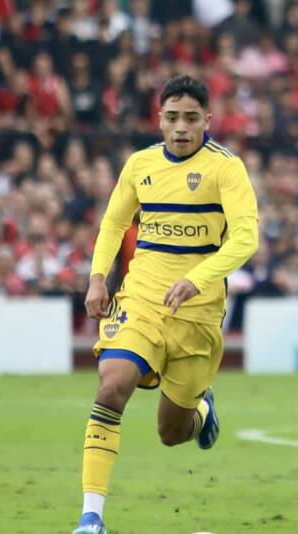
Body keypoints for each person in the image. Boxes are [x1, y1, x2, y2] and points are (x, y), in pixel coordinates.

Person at [73, 75, 259, 534]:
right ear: (159, 119)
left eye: (191, 118)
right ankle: (91, 517)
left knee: (171, 432)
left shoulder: (226, 169)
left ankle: (201, 413)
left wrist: (197, 279)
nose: (181, 127)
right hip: (141, 298)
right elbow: (113, 224)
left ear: (207, 120)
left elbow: (245, 239)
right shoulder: (140, 165)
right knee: (111, 385)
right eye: (172, 117)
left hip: (198, 313)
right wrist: (97, 278)